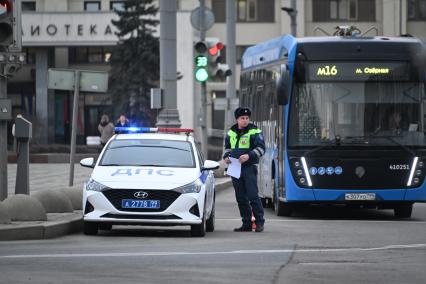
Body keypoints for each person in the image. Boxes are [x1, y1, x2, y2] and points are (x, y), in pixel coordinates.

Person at [223, 107, 266, 232]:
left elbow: (262, 149)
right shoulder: (231, 132)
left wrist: (249, 155)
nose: (245, 120)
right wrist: (226, 157)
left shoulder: (254, 131)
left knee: (253, 195)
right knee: (240, 197)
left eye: (247, 118)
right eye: (242, 118)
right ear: (237, 119)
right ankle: (246, 223)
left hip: (249, 167)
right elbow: (227, 148)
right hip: (235, 167)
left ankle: (259, 222)